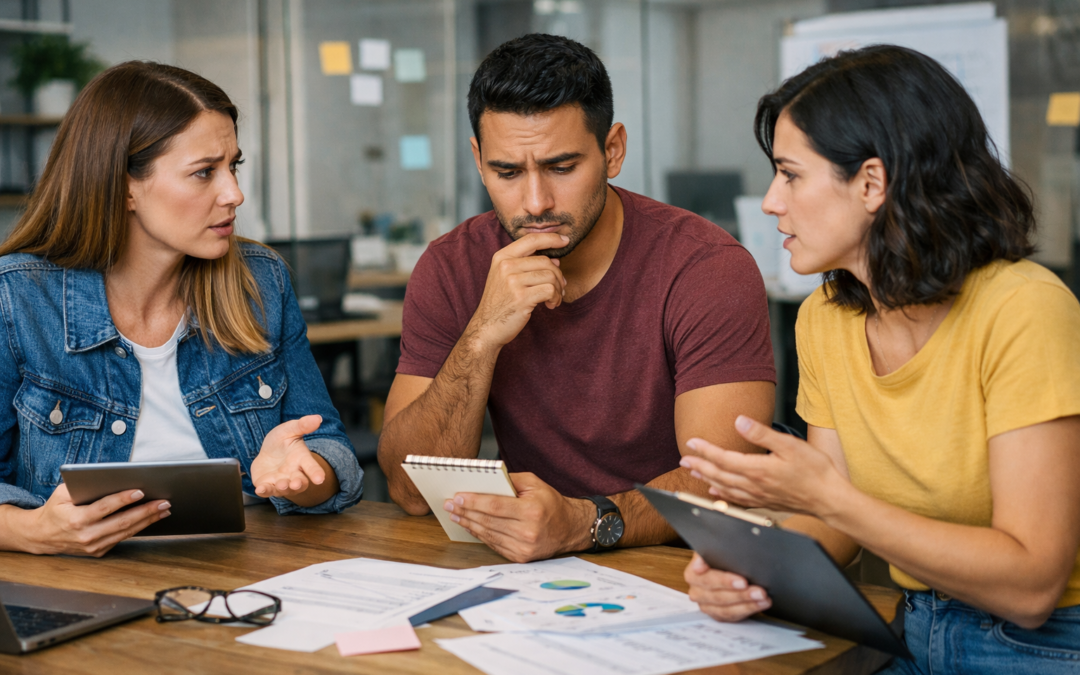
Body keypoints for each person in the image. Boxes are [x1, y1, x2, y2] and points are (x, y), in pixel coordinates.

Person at [678, 45, 1080, 673]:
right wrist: (753, 568)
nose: (770, 202)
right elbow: (836, 525)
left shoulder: (1025, 310)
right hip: (908, 627)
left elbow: (1030, 587)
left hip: (1045, 644)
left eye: (790, 174)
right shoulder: (826, 317)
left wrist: (827, 498)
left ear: (871, 182)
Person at [377, 33, 776, 563]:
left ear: (613, 150)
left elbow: (725, 483)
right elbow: (410, 492)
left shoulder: (706, 267)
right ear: (478, 160)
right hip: (529, 568)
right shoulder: (451, 266)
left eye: (562, 167)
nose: (536, 202)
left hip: (685, 564)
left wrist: (586, 523)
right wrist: (482, 336)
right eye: (507, 172)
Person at [0, 62, 363, 557]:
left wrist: (303, 475)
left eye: (233, 166)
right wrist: (35, 533)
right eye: (203, 173)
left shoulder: (262, 281)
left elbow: (332, 453)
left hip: (248, 574)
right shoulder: (17, 299)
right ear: (124, 185)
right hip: (82, 584)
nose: (234, 194)